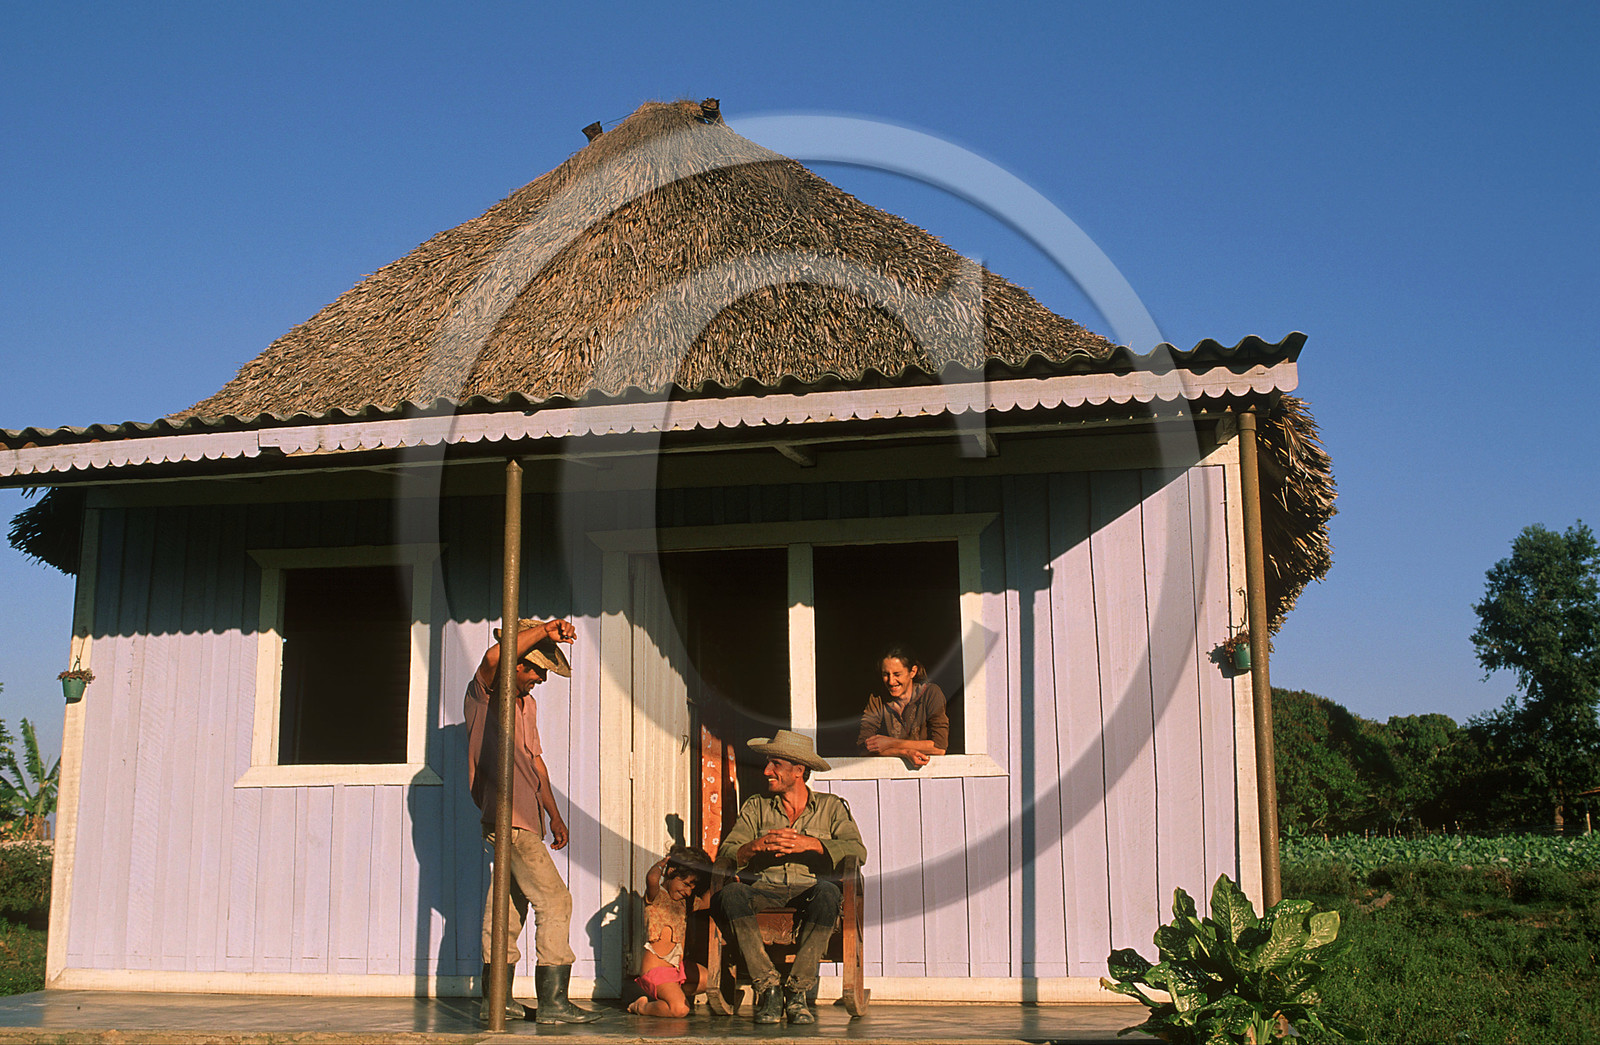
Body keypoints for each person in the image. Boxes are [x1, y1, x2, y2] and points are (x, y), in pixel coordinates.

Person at [464, 617, 600, 1025]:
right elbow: (493, 660)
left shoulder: (527, 704)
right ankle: (554, 1003)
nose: (541, 679)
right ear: (518, 663)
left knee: (506, 909)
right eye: (537, 670)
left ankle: (496, 1001)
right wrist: (544, 631)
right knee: (556, 901)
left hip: (528, 820)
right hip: (508, 818)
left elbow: (535, 764)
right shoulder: (486, 695)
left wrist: (554, 815)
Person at [714, 730, 867, 1026]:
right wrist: (755, 846)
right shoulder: (756, 807)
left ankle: (797, 990)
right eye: (768, 763)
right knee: (730, 894)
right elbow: (728, 852)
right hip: (765, 888)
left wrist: (813, 844)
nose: (766, 771)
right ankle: (768, 986)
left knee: (829, 892)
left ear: (799, 770)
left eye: (775, 764)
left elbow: (857, 851)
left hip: (810, 890)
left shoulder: (831, 807)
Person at [628, 845, 712, 1018]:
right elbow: (652, 878)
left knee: (712, 981)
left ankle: (675, 994)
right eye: (685, 884)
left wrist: (723, 880)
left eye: (692, 887)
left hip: (678, 969)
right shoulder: (656, 897)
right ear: (671, 871)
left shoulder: (684, 903)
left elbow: (706, 902)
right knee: (680, 1010)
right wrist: (662, 864)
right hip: (656, 971)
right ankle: (642, 1007)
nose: (687, 891)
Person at [855, 646, 949, 767]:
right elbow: (863, 748)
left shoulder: (931, 694)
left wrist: (890, 743)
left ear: (913, 672)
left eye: (897, 674)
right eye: (886, 674)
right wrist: (904, 753)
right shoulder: (877, 699)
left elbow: (939, 747)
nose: (891, 681)